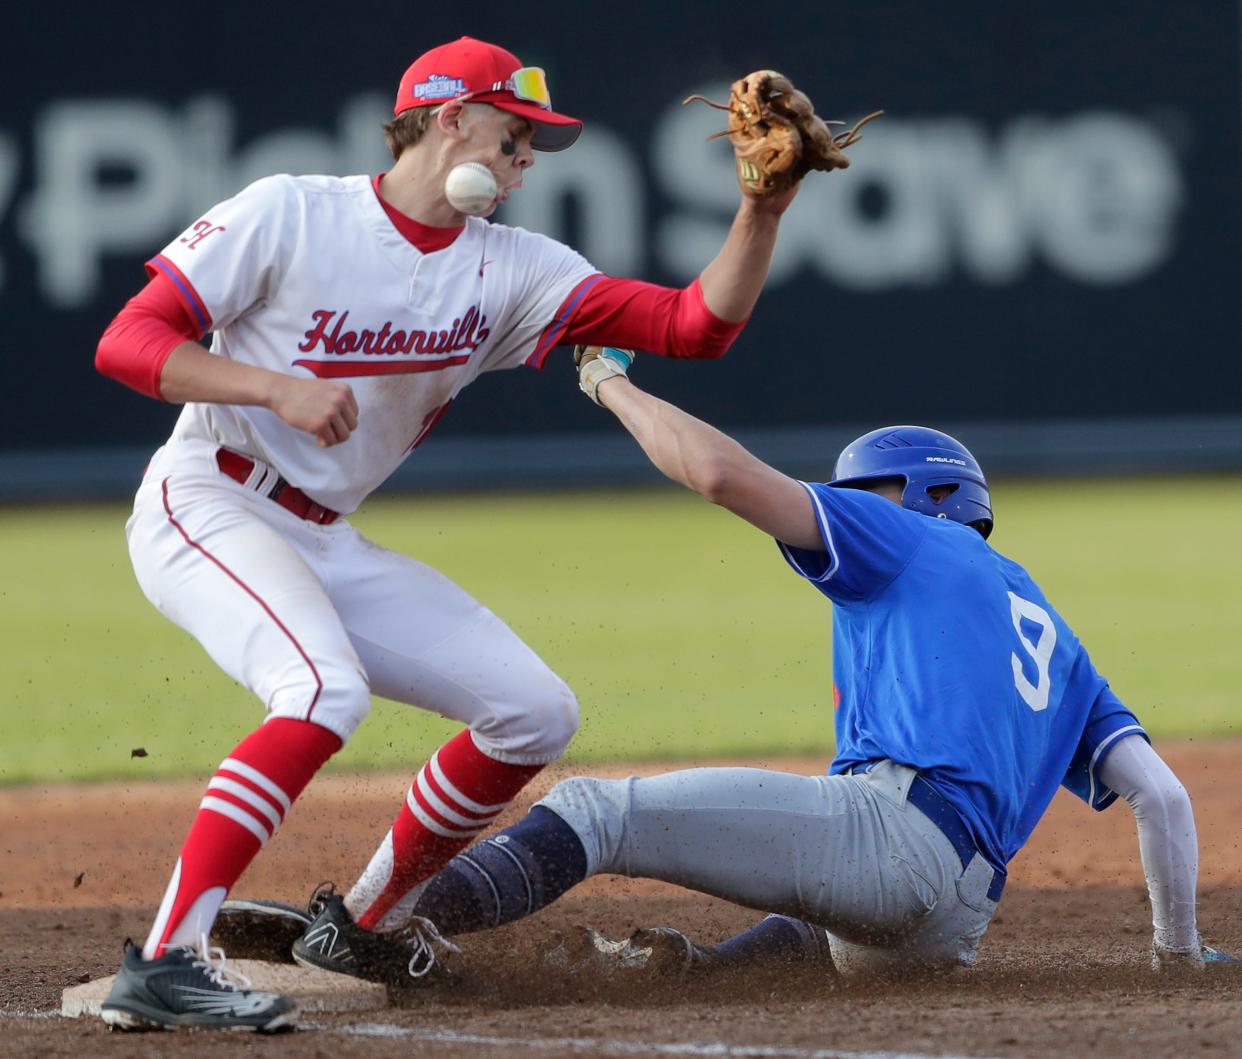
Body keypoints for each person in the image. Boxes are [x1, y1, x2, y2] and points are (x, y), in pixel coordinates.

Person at [93, 36, 813, 1032]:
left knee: (533, 710)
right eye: (517, 138)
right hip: (208, 498)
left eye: (534, 149)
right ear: (449, 119)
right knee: (322, 690)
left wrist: (762, 211)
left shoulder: (511, 270)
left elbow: (697, 326)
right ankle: (168, 956)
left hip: (320, 535)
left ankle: (364, 922)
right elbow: (127, 342)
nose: (526, 164)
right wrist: (271, 387)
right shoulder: (291, 212)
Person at [298, 344, 1234, 985]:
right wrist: (1176, 953)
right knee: (819, 911)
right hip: (953, 924)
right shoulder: (1059, 639)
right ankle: (691, 973)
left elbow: (719, 475)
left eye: (865, 492)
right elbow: (1163, 796)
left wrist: (610, 385)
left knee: (593, 809)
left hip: (894, 842)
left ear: (924, 498)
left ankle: (386, 931)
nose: (843, 505)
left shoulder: (906, 539)